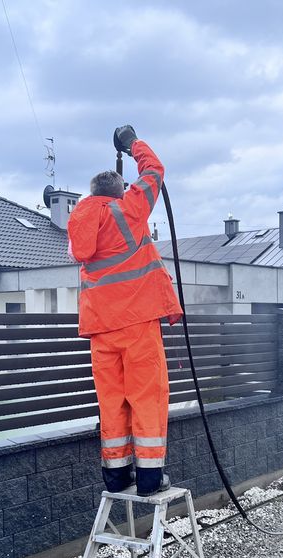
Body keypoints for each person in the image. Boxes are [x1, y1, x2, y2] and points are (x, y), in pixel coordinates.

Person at [66, 125, 183, 496]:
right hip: (137, 325)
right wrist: (133, 143)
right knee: (147, 397)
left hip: (101, 331)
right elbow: (154, 172)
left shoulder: (80, 221)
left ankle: (117, 475)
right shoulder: (129, 210)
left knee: (112, 402)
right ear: (119, 194)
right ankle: (150, 478)